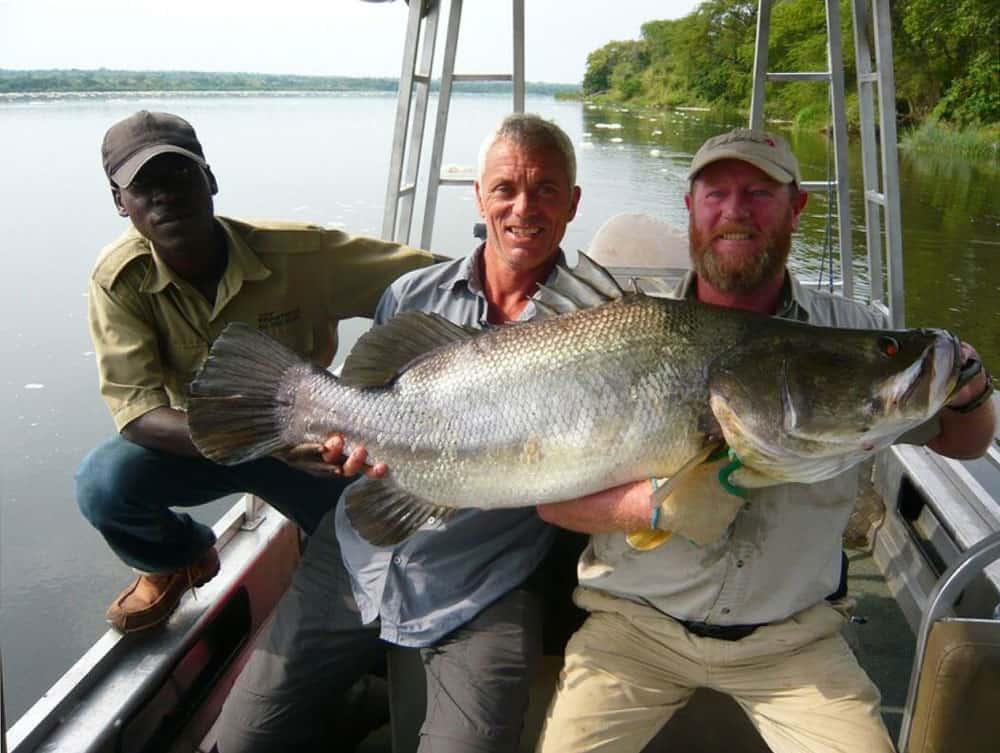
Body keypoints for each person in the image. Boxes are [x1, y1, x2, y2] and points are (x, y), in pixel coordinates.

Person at [532, 128, 997, 753]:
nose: (735, 211)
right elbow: (552, 501)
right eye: (716, 194)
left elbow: (967, 443)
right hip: (632, 631)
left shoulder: (856, 334)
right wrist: (660, 504)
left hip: (795, 644)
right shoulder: (615, 338)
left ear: (796, 207)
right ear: (690, 208)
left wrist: (969, 386)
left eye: (758, 192)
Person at [215, 113, 588, 753]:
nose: (524, 208)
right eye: (506, 188)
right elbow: (370, 399)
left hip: (484, 578)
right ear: (479, 195)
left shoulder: (593, 322)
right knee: (243, 740)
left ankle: (365, 699)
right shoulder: (413, 293)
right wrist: (334, 448)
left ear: (573, 202)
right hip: (359, 548)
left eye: (547, 189)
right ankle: (360, 699)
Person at [76, 110, 434, 634]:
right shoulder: (120, 280)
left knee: (374, 554)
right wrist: (265, 441)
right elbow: (140, 417)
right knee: (103, 484)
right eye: (142, 185)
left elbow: (435, 279)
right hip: (194, 443)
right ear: (119, 202)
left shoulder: (301, 256)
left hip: (310, 447)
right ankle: (178, 558)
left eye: (178, 175)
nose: (164, 195)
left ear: (210, 179)